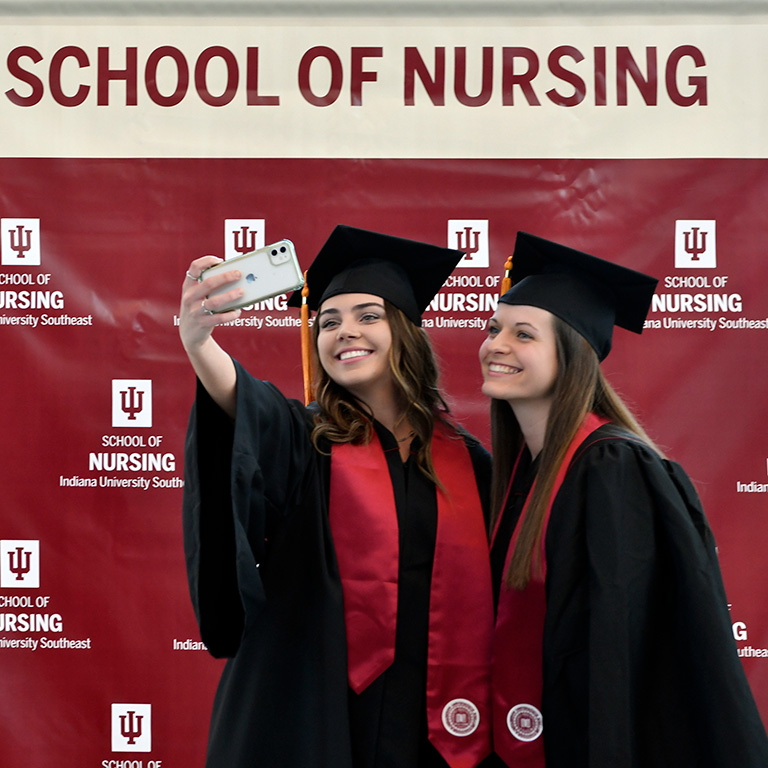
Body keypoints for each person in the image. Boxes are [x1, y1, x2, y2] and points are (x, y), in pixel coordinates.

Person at [179, 224, 501, 768]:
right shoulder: (303, 441)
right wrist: (199, 342)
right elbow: (239, 400)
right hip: (314, 711)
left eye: (368, 316)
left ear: (405, 331)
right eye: (328, 322)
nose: (344, 332)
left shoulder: (470, 464)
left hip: (432, 721)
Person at [480, 232, 768, 767]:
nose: (496, 344)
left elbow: (621, 650)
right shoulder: (521, 474)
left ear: (571, 354)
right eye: (494, 328)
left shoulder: (613, 470)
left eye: (524, 334)